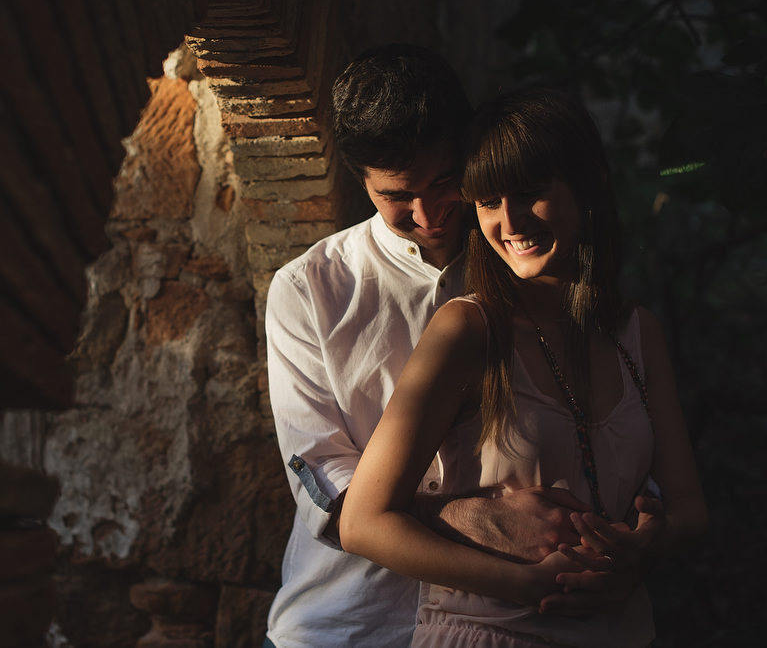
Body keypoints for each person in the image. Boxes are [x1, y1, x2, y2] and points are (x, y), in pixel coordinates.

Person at [338, 87, 709, 647]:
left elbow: (689, 508)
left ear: (589, 187)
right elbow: (363, 523)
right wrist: (524, 583)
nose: (508, 222)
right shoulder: (468, 330)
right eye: (487, 202)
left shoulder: (637, 332)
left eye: (530, 194)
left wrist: (643, 548)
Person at [264, 47, 595, 648]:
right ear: (360, 181)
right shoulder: (309, 289)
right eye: (397, 197)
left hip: (503, 627)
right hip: (349, 624)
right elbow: (321, 480)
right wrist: (473, 519)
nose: (428, 214)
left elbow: (607, 424)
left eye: (445, 183)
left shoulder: (530, 265)